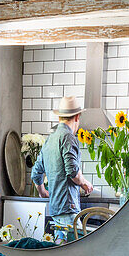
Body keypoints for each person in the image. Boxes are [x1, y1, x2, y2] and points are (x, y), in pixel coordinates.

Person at [31, 95, 94, 240]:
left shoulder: (50, 139)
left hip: (56, 208)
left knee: (60, 248)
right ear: (77, 117)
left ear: (60, 117)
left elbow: (36, 172)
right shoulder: (68, 137)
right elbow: (72, 171)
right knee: (77, 248)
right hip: (68, 206)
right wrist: (85, 183)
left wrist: (42, 191)